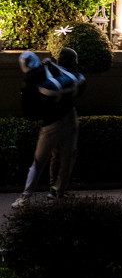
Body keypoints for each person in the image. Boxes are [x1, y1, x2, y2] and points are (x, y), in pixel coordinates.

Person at [13, 47, 86, 205]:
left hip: (51, 123)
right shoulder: (52, 68)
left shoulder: (34, 77)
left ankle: (26, 196)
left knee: (40, 160)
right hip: (69, 116)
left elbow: (30, 112)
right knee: (67, 157)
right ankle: (57, 192)